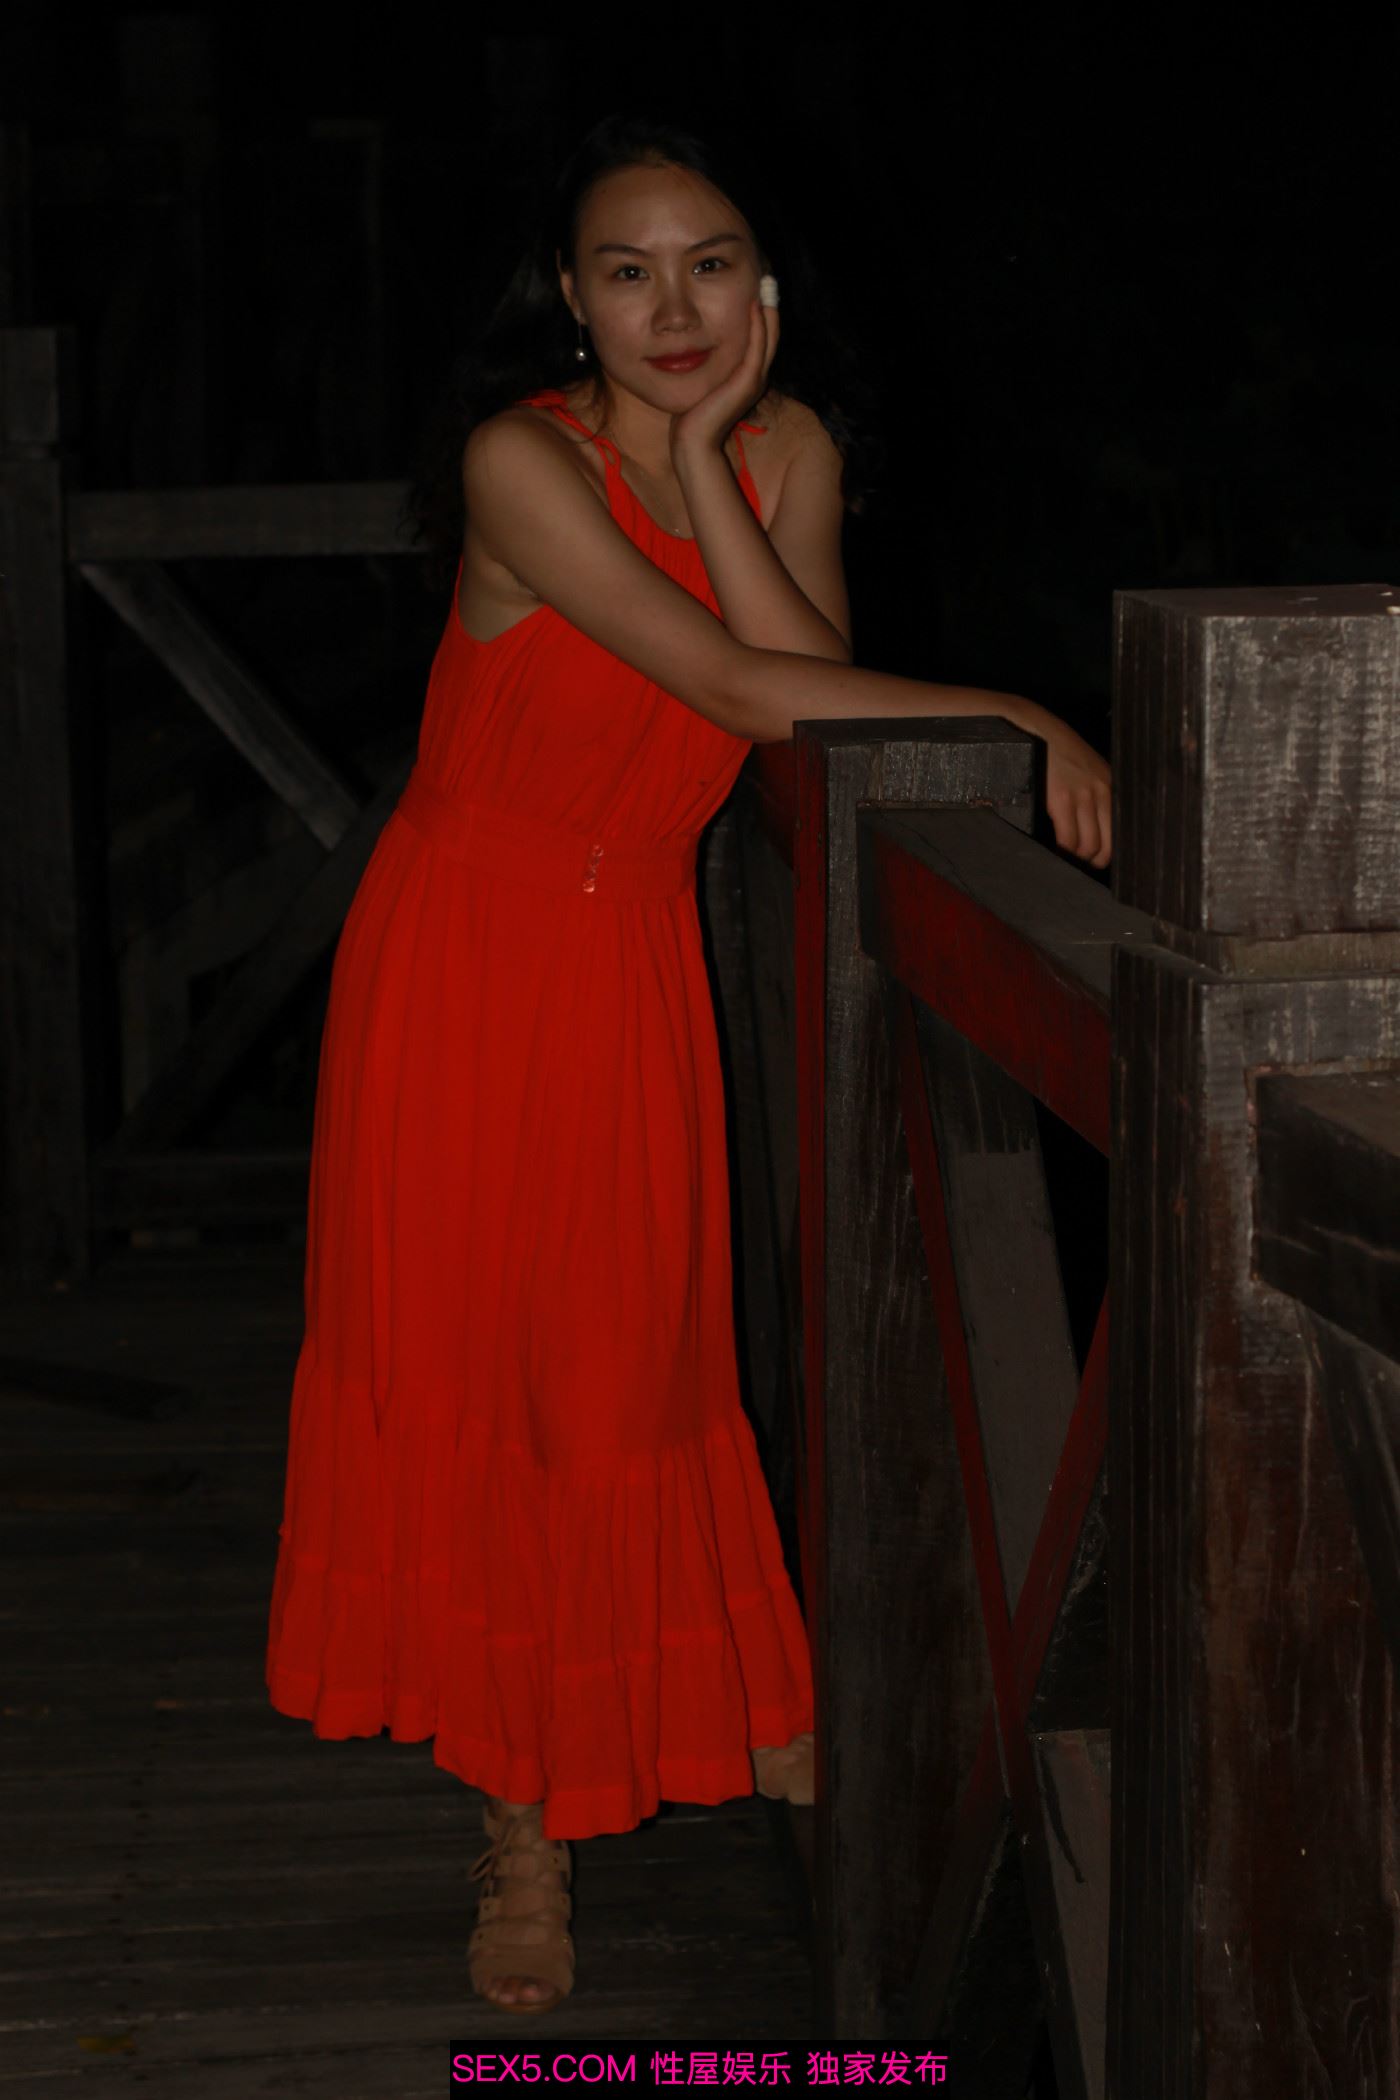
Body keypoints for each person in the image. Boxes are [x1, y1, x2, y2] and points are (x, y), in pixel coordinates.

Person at [265, 111, 1112, 2018]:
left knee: (637, 1361)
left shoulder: (787, 447)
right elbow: (731, 688)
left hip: (632, 944)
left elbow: (806, 675)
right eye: (627, 271)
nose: (672, 306)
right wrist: (1025, 707)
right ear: (569, 299)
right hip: (470, 950)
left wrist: (719, 454)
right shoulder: (519, 462)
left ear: (764, 285)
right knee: (503, 1377)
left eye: (709, 265)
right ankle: (520, 1826)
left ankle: (716, 1696)